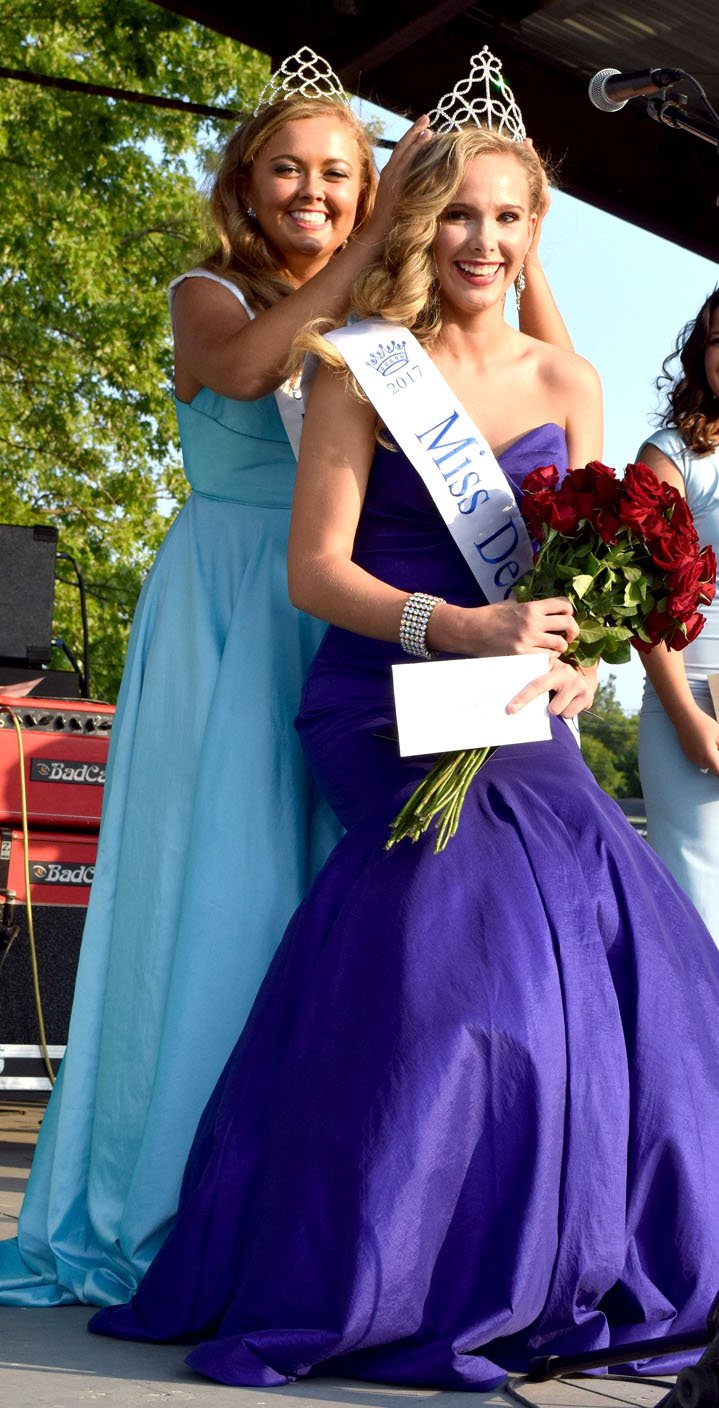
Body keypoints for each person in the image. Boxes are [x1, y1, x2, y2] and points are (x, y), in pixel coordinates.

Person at [90, 124, 719, 1390]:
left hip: (513, 703)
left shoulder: (567, 380)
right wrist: (462, 628)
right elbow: (313, 570)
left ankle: (569, 1238)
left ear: (536, 231)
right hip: (385, 695)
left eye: (508, 219)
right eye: (456, 217)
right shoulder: (356, 369)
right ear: (416, 225)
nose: (482, 243)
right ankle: (397, 1258)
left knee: (616, 916)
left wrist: (564, 657)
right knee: (460, 935)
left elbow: (581, 590)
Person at [636, 290, 719, 943]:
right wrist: (687, 719)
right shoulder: (673, 454)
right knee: (700, 920)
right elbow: (644, 601)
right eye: (718, 340)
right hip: (694, 708)